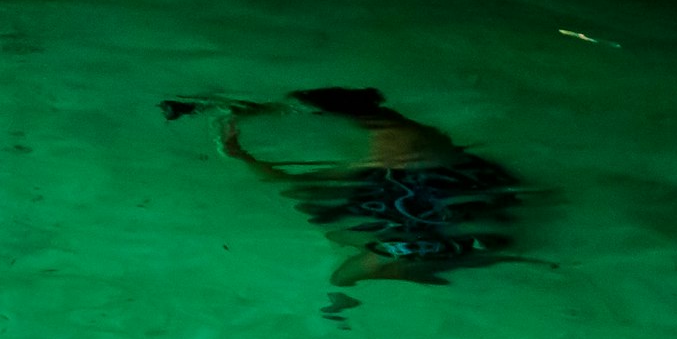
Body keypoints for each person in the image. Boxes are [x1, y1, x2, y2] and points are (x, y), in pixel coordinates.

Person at [192, 86, 528, 305]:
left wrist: (241, 156)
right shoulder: (398, 130)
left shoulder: (389, 147)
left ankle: (410, 277)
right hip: (444, 190)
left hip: (438, 209)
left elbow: (301, 184)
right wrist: (256, 112)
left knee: (343, 275)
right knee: (338, 232)